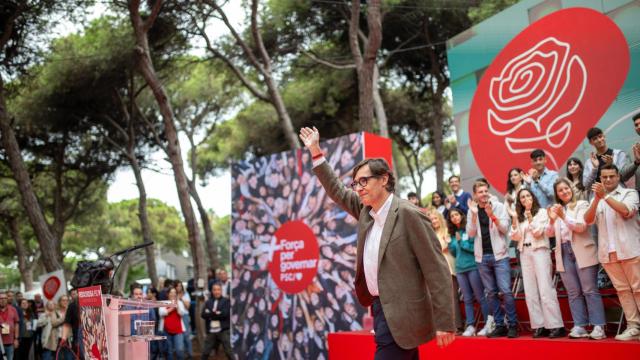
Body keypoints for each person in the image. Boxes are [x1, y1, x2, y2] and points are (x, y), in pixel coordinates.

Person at [299, 126, 455, 359]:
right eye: (356, 183)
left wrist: (445, 321)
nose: (358, 188)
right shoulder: (365, 211)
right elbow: (337, 191)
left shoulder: (409, 214)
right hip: (380, 308)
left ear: (384, 179)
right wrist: (316, 151)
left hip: (405, 313)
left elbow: (436, 268)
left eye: (364, 181)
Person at [584, 164, 640, 341]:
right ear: (600, 178)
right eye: (604, 177)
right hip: (608, 253)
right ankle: (633, 327)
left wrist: (605, 196)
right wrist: (596, 199)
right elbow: (587, 220)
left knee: (638, 289)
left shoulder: (629, 193)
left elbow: (626, 211)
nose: (608, 180)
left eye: (611, 176)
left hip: (630, 250)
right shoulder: (598, 198)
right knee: (622, 291)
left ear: (618, 177)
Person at [546, 178, 606, 339]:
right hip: (564, 252)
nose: (564, 192)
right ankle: (580, 325)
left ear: (571, 189)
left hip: (582, 250)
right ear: (556, 194)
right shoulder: (557, 209)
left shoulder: (581, 204)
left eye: (566, 188)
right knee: (573, 292)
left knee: (589, 290)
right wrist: (552, 218)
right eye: (560, 190)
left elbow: (580, 227)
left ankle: (598, 326)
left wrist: (563, 216)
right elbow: (549, 233)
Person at [508, 189, 565, 338]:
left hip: (540, 250)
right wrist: (514, 219)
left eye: (528, 196)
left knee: (546, 289)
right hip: (524, 253)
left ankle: (555, 325)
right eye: (522, 197)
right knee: (530, 292)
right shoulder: (519, 217)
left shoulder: (541, 213)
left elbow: (538, 232)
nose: (525, 199)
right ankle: (539, 325)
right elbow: (515, 236)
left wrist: (529, 216)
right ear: (519, 201)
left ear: (533, 197)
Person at [467, 181, 519, 338]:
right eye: (480, 191)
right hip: (482, 258)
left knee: (506, 291)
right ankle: (499, 324)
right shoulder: (472, 211)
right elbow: (470, 233)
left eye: (485, 191)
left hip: (500, 255)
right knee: (490, 293)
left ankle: (513, 324)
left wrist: (492, 215)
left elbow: (504, 229)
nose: (483, 194)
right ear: (475, 194)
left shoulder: (498, 206)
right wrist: (475, 215)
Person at [447, 208, 493, 337]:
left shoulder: (469, 230)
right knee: (467, 299)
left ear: (462, 216)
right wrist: (451, 245)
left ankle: (487, 324)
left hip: (472, 267)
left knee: (480, 297)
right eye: (452, 216)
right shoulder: (453, 233)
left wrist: (461, 242)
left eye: (456, 214)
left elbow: (475, 249)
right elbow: (455, 253)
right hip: (460, 269)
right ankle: (471, 325)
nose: (455, 217)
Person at [426, 208, 463, 333]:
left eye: (435, 218)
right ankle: (440, 326)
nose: (434, 221)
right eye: (431, 219)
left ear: (440, 219)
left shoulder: (447, 231)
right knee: (436, 299)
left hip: (448, 268)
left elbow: (448, 248)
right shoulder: (429, 233)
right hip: (434, 270)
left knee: (452, 298)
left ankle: (457, 325)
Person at [201, 283, 232, 359]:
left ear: (221, 291)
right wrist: (216, 313)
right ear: (212, 291)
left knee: (229, 352)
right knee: (205, 352)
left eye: (218, 290)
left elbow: (225, 314)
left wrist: (210, 314)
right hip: (211, 331)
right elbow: (203, 314)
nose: (216, 292)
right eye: (214, 290)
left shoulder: (226, 301)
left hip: (223, 330)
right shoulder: (208, 302)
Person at [159, 287, 188, 359]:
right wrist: (171, 308)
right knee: (169, 351)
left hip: (178, 330)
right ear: (168, 294)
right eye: (171, 292)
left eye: (174, 292)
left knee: (179, 350)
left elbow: (182, 313)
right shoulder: (163, 302)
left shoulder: (179, 303)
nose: (173, 294)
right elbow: (161, 313)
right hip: (166, 330)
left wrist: (177, 305)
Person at [620, 112, 640, 193]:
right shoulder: (635, 149)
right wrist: (636, 162)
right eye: (636, 125)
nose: (639, 127)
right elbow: (623, 176)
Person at [175, 282, 193, 359]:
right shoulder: (173, 294)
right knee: (179, 336)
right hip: (176, 317)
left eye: (180, 286)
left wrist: (181, 299)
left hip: (184, 316)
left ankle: (190, 354)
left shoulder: (186, 294)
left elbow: (187, 306)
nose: (179, 287)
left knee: (186, 336)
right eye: (177, 286)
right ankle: (182, 354)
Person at [0, 291, 20, 360]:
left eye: (5, 298)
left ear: (7, 299)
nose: (3, 300)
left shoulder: (13, 309)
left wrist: (16, 339)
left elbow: (16, 324)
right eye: (1, 298)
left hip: (10, 342)